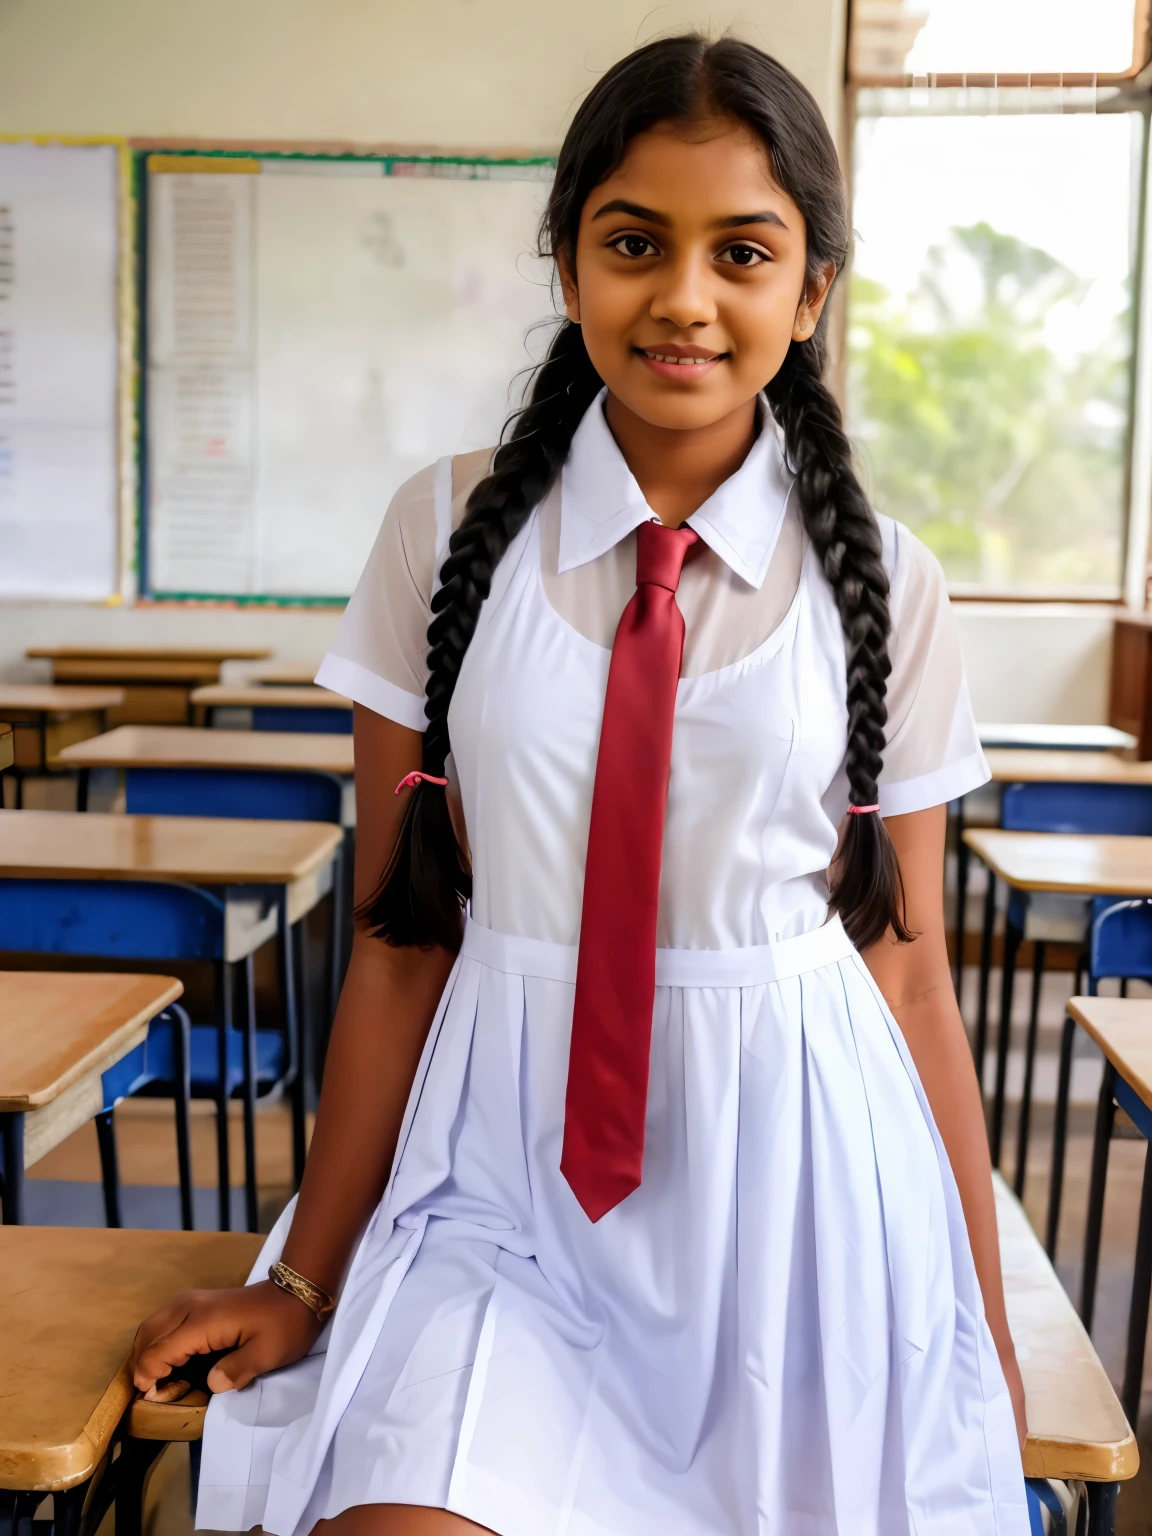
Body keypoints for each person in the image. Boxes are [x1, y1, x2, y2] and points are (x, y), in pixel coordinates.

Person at [131, 33, 1029, 1536]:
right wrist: (302, 1281)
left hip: (797, 1192)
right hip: (503, 1182)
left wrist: (981, 1343)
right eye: (633, 243)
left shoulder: (889, 580)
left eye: (743, 251)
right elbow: (403, 935)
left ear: (810, 292)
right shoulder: (445, 527)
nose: (683, 297)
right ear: (568, 264)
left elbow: (912, 969)